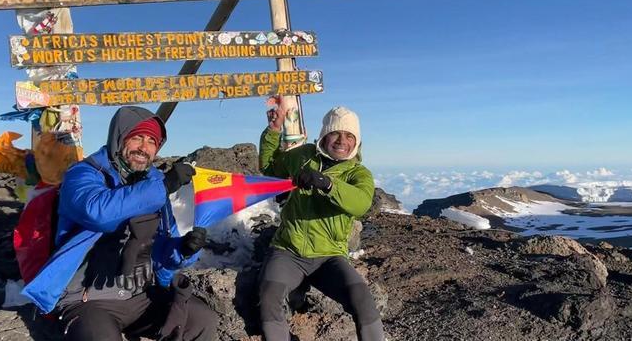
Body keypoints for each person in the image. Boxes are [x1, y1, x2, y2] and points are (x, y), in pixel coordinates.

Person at [22, 106, 218, 341]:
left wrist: (184, 249)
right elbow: (97, 212)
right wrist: (163, 187)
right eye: (137, 138)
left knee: (202, 320)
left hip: (140, 294)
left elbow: (162, 246)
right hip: (88, 300)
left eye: (152, 142)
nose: (144, 148)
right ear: (119, 138)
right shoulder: (83, 174)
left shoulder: (154, 182)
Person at [257, 104, 385, 341]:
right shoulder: (302, 156)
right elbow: (270, 168)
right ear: (324, 135)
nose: (341, 140)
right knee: (269, 297)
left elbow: (360, 203)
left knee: (362, 298)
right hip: (289, 251)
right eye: (335, 133)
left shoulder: (358, 174)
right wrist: (273, 131)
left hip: (329, 257)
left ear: (356, 141)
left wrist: (327, 184)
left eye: (349, 136)